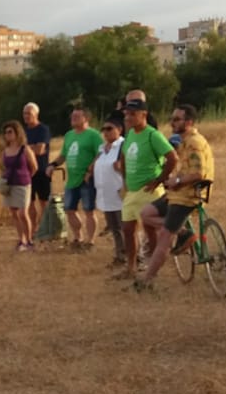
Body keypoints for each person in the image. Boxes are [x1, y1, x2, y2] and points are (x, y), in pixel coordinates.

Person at [137, 104, 214, 288]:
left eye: (177, 119)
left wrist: (177, 181)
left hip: (188, 195)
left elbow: (198, 174)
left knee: (164, 235)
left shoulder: (194, 143)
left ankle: (146, 281)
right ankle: (182, 232)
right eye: (172, 119)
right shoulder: (182, 141)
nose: (172, 123)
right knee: (146, 213)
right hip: (176, 193)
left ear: (189, 122)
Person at [115, 99, 172, 280]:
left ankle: (151, 268)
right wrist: (124, 181)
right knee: (127, 229)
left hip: (148, 191)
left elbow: (172, 158)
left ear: (143, 115)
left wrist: (159, 180)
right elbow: (123, 157)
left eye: (132, 114)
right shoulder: (130, 134)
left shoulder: (152, 135)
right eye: (126, 114)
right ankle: (131, 267)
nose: (128, 118)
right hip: (132, 191)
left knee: (149, 231)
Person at [54, 107, 103, 249]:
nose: (73, 118)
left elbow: (100, 153)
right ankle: (78, 237)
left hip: (87, 178)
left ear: (86, 118)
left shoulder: (93, 135)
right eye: (72, 116)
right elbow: (63, 154)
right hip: (72, 179)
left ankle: (91, 241)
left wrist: (91, 170)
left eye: (77, 116)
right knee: (69, 209)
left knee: (89, 210)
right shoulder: (69, 135)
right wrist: (53, 164)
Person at [0, 120, 38, 251]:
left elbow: (34, 167)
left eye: (10, 132)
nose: (7, 135)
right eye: (5, 132)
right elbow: (3, 167)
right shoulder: (5, 151)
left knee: (22, 212)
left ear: (17, 133)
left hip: (23, 184)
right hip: (10, 184)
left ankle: (30, 240)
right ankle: (22, 240)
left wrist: (26, 178)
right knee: (14, 213)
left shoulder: (25, 149)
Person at [93, 119, 126, 263]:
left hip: (119, 192)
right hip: (105, 193)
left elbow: (128, 167)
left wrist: (120, 169)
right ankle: (120, 255)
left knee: (123, 227)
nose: (106, 132)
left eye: (109, 129)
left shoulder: (122, 146)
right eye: (104, 129)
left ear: (119, 130)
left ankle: (131, 256)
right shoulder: (102, 149)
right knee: (114, 228)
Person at [23, 102, 52, 234]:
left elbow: (40, 150)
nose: (26, 116)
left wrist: (25, 149)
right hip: (26, 171)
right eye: (25, 113)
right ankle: (33, 229)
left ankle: (46, 227)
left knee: (44, 201)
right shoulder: (23, 132)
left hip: (41, 170)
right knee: (29, 202)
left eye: (29, 113)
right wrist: (30, 148)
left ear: (36, 114)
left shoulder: (43, 130)